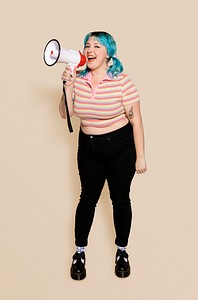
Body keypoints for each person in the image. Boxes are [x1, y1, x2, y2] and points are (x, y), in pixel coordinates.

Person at [59, 31, 147, 280]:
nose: (90, 49)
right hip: (89, 148)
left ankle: (122, 251)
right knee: (87, 199)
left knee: (120, 200)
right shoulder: (79, 78)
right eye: (87, 45)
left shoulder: (121, 81)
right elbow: (67, 113)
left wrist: (140, 157)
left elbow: (137, 121)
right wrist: (67, 85)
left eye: (97, 45)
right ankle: (79, 252)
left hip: (120, 149)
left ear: (108, 53)